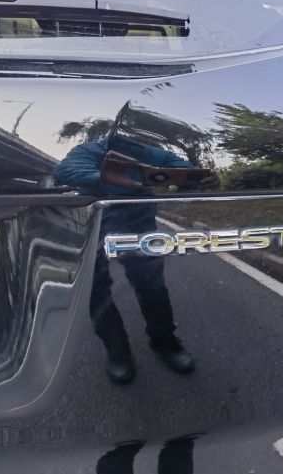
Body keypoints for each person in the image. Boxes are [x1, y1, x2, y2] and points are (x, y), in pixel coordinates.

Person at [53, 132, 217, 383]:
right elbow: (64, 172)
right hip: (93, 226)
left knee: (152, 285)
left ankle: (164, 341)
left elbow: (182, 170)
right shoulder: (88, 151)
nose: (124, 138)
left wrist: (200, 177)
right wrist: (101, 176)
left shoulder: (153, 153)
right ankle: (117, 348)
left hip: (138, 224)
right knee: (95, 290)